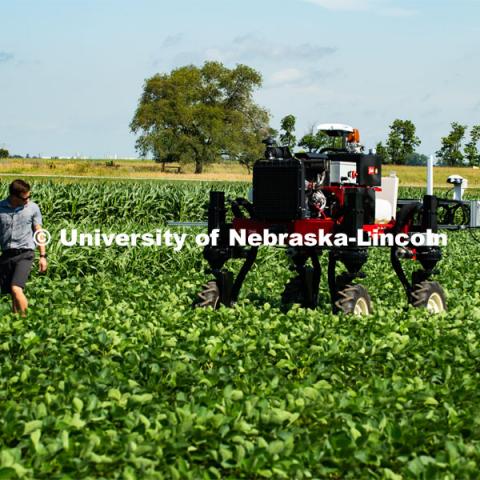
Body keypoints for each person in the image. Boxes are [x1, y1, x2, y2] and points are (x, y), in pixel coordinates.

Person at [0, 179, 47, 314]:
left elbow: (39, 232)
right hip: (7, 254)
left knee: (16, 288)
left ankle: (28, 322)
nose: (28, 200)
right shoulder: (1, 208)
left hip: (25, 253)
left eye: (29, 197)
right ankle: (17, 324)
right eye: (25, 198)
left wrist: (43, 256)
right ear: (14, 196)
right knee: (12, 293)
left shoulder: (32, 208)